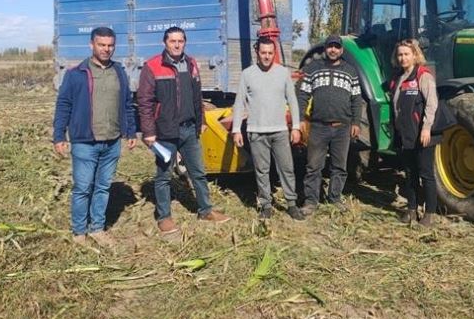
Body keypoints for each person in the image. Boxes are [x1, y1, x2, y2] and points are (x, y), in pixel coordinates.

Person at [137, 26, 229, 235]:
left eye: (181, 41)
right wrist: (149, 131)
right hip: (165, 132)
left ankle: (206, 211)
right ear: (165, 43)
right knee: (164, 176)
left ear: (185, 42)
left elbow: (198, 95)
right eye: (172, 41)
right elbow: (144, 102)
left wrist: (201, 120)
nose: (177, 45)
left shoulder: (191, 63)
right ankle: (164, 217)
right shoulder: (153, 66)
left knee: (198, 172)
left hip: (189, 129)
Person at [53, 27, 137, 246]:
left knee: (102, 187)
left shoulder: (119, 71)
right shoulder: (76, 74)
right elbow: (63, 105)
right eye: (102, 45)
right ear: (92, 45)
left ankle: (97, 228)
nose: (106, 49)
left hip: (111, 141)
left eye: (110, 45)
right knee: (82, 188)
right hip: (84, 142)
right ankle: (79, 232)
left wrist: (130, 131)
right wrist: (59, 136)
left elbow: (127, 103)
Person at [232, 36, 304, 221]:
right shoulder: (247, 74)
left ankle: (291, 204)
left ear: (274, 53)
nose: (266, 56)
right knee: (262, 170)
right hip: (256, 132)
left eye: (270, 53)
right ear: (257, 52)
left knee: (286, 168)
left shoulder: (283, 73)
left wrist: (295, 127)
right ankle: (265, 204)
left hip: (280, 131)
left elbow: (293, 101)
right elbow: (239, 103)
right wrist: (236, 129)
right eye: (263, 53)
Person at [297, 34, 362, 215]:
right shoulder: (313, 68)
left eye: (336, 47)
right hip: (319, 126)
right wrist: (301, 118)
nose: (333, 49)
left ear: (341, 50)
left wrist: (356, 121)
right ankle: (311, 201)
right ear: (325, 48)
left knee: (339, 167)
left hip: (342, 127)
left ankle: (334, 199)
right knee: (313, 166)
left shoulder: (351, 71)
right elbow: (302, 95)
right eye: (330, 46)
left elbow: (356, 98)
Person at [389, 39, 439, 227]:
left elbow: (432, 104)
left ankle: (430, 214)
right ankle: (411, 209)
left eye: (406, 54)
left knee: (426, 174)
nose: (403, 58)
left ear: (415, 55)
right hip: (405, 133)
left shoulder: (423, 75)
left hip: (422, 134)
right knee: (410, 173)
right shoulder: (398, 78)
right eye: (400, 55)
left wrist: (426, 128)